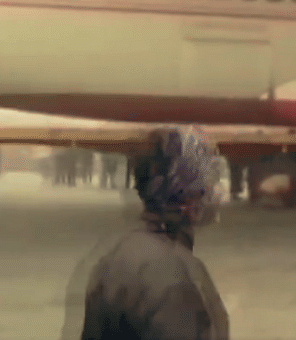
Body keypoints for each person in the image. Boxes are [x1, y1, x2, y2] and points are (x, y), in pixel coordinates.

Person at [63, 126, 229, 340]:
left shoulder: (118, 255)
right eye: (211, 181)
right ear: (190, 199)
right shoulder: (175, 279)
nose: (218, 193)